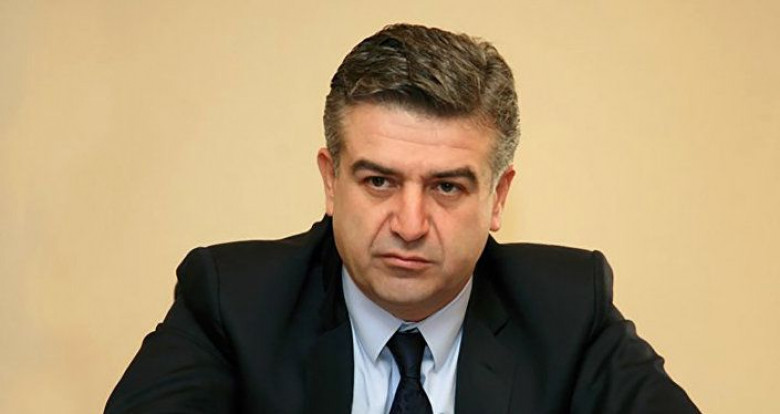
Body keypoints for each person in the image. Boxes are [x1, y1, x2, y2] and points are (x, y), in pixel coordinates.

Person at [105, 24, 699, 413]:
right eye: (379, 181)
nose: (410, 225)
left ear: (497, 198)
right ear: (331, 181)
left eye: (447, 187)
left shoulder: (566, 311)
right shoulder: (234, 302)